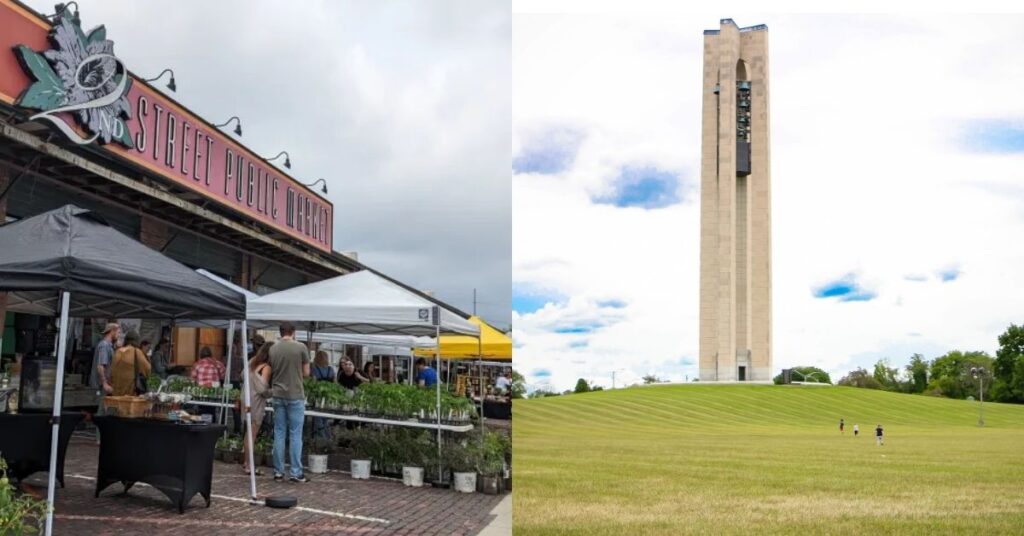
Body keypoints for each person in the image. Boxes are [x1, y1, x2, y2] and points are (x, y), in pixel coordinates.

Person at [269, 322, 311, 483]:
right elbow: (306, 373)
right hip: (295, 394)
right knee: (295, 434)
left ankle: (278, 471)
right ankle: (295, 472)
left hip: (278, 394)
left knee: (279, 432)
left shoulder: (273, 348)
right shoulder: (301, 347)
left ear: (280, 332)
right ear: (293, 331)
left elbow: (271, 370)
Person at [241, 343, 272, 475]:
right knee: (252, 434)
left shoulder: (252, 361)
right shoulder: (266, 367)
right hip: (256, 402)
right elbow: (262, 389)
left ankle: (246, 462)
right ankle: (249, 465)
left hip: (246, 397)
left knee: (248, 432)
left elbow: (242, 375)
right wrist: (274, 391)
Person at [109, 330, 151, 397]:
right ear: (137, 340)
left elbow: (111, 371)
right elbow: (148, 369)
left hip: (116, 392)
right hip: (130, 393)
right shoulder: (136, 352)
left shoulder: (117, 351)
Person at [89, 323, 120, 397]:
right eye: (118, 332)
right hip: (102, 386)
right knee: (103, 406)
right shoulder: (104, 345)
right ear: (112, 331)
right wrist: (104, 383)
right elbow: (100, 366)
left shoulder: (109, 346)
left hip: (106, 385)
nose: (119, 335)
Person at [311, 351, 334, 439]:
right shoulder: (330, 369)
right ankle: (328, 437)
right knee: (326, 418)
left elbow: (313, 383)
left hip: (318, 397)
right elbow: (335, 383)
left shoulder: (315, 369)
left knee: (318, 418)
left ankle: (322, 439)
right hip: (330, 397)